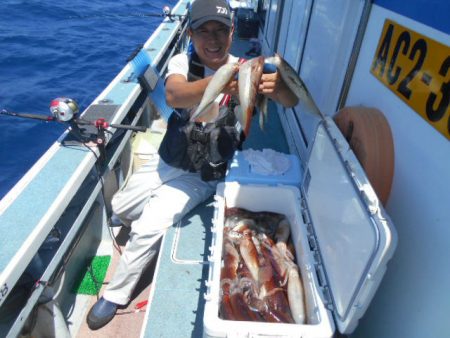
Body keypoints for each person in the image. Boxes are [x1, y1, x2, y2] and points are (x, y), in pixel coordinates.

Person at [86, 0, 298, 330]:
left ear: (232, 32)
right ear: (190, 33)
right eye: (203, 31)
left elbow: (291, 101)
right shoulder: (181, 62)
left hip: (203, 174)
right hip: (168, 160)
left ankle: (114, 295)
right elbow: (174, 95)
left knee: (148, 226)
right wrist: (222, 82)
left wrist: (279, 86)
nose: (212, 40)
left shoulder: (249, 70)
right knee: (121, 207)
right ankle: (135, 212)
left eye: (220, 31)